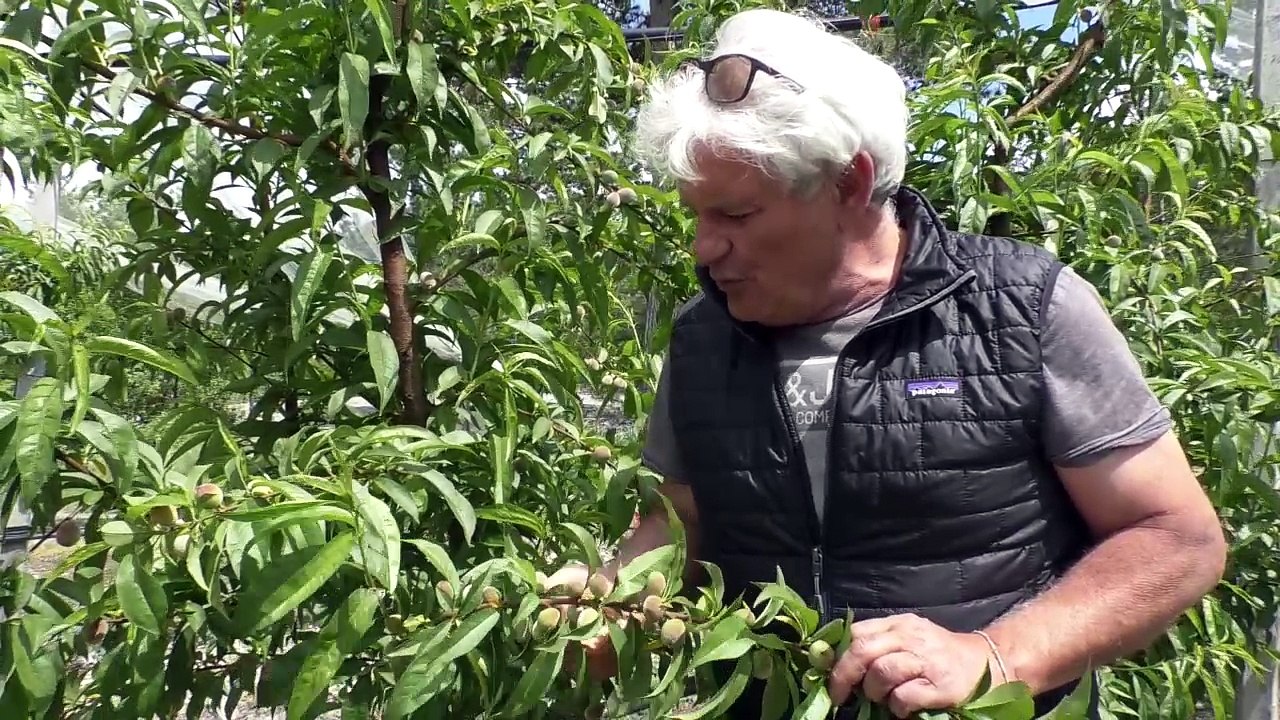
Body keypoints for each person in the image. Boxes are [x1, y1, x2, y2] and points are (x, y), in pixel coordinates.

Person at [547, 7, 1226, 718]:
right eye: (697, 214)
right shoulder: (702, 337)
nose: (702, 248)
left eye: (736, 217)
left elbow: (1177, 538)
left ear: (848, 183)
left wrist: (996, 656)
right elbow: (679, 521)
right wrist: (611, 602)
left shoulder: (1021, 308)